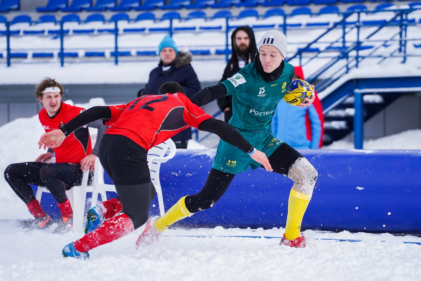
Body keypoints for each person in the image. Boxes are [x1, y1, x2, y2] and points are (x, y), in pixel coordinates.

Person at [38, 81, 271, 259]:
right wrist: (251, 150)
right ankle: (78, 248)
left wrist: (64, 130)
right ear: (181, 94)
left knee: (148, 192)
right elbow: (219, 125)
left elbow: (99, 110)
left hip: (110, 146)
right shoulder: (183, 103)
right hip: (129, 148)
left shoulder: (142, 100)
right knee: (137, 216)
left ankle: (101, 210)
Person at [137, 30, 319, 249]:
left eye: (273, 54)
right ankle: (157, 226)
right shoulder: (247, 75)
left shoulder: (288, 71)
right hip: (235, 143)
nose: (267, 59)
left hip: (264, 139)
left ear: (283, 56)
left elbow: (296, 89)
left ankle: (291, 237)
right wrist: (185, 105)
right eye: (263, 53)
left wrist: (306, 96)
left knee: (307, 175)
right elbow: (216, 90)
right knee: (206, 200)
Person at [3, 78, 107, 233]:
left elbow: (104, 125)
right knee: (11, 171)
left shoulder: (75, 112)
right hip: (58, 171)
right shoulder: (43, 116)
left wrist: (94, 154)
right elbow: (56, 137)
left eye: (57, 96)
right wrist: (50, 152)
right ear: (41, 99)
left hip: (81, 171)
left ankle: (68, 217)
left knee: (48, 171)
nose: (54, 100)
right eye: (49, 97)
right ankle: (40, 217)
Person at [138, 35, 201, 148]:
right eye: (164, 50)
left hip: (177, 127)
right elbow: (149, 91)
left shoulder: (186, 69)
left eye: (170, 50)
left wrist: (172, 94)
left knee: (178, 162)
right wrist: (142, 95)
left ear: (175, 52)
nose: (167, 53)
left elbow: (195, 91)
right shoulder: (154, 73)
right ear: (159, 53)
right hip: (154, 128)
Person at [271, 66, 324, 149]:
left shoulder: (309, 95)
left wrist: (314, 149)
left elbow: (317, 123)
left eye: (295, 77)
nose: (292, 80)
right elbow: (273, 122)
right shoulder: (278, 96)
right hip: (281, 146)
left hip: (302, 147)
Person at [218, 26, 257, 123]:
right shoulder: (231, 64)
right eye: (239, 38)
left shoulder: (260, 62)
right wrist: (226, 108)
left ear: (251, 40)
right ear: (234, 41)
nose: (242, 41)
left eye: (245, 38)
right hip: (233, 120)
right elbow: (222, 87)